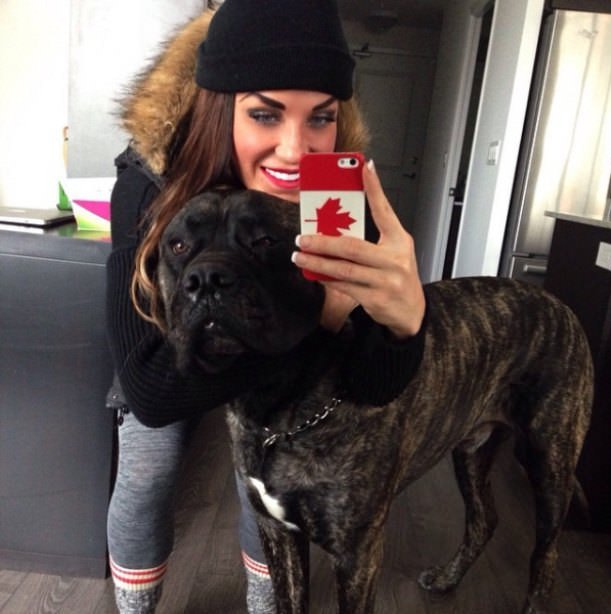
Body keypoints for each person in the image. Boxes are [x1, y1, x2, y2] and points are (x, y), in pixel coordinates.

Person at [105, 1, 427, 612]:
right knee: (147, 470)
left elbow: (371, 383)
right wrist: (320, 319)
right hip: (172, 351)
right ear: (220, 107)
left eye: (320, 117)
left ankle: (264, 601)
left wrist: (406, 327)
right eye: (264, 114)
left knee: (271, 472)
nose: (295, 150)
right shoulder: (150, 181)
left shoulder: (338, 194)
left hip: (279, 370)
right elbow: (150, 390)